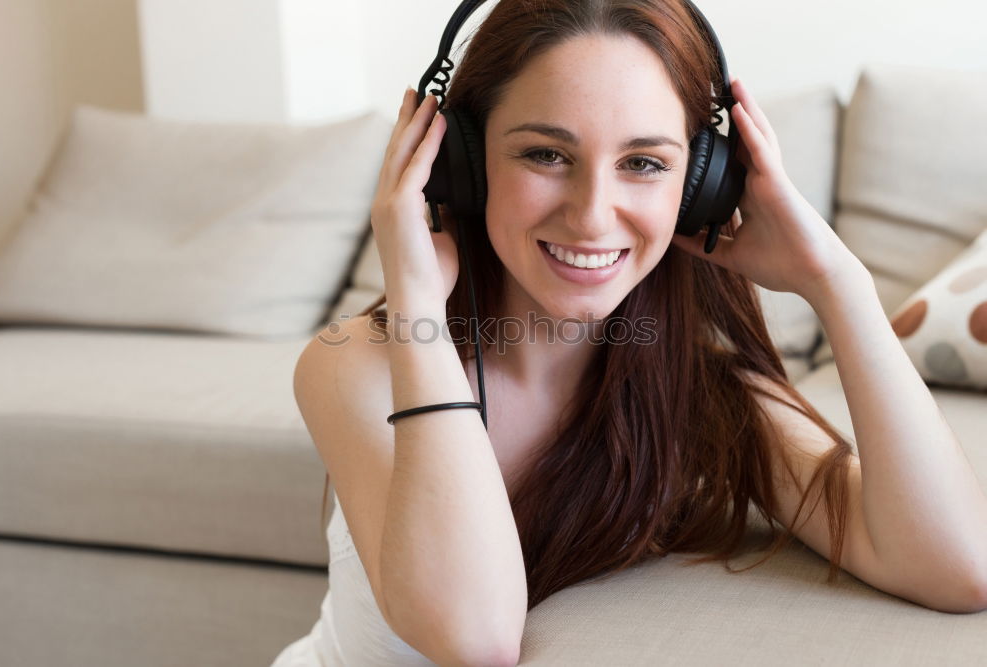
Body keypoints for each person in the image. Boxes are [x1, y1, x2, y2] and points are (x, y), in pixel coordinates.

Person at [274, 1, 986, 665]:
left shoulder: (696, 390)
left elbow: (960, 565)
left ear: (703, 185)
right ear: (459, 164)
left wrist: (838, 280)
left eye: (643, 163)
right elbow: (474, 636)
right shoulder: (357, 365)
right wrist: (418, 309)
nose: (592, 216)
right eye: (546, 155)